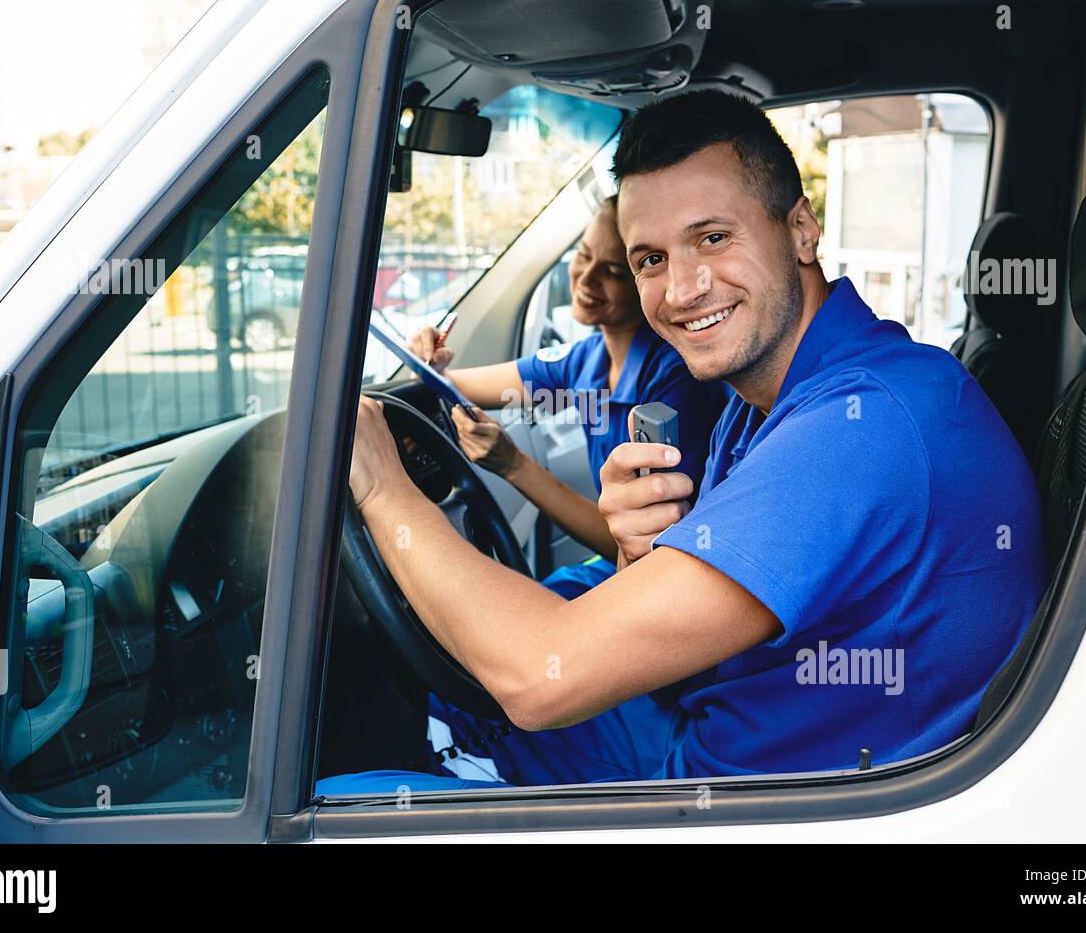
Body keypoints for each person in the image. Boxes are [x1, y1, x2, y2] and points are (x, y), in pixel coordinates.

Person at [321, 89, 1045, 794]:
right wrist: (640, 555)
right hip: (711, 738)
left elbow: (542, 677)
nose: (683, 289)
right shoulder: (763, 400)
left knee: (350, 795)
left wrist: (385, 492)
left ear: (801, 228)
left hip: (742, 804)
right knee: (442, 699)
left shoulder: (864, 426)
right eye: (650, 260)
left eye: (713, 237)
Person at [404, 195, 727, 600]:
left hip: (656, 582)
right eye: (584, 255)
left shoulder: (677, 382)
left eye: (612, 271)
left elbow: (646, 548)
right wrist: (427, 358)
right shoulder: (584, 360)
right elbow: (458, 386)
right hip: (613, 567)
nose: (586, 280)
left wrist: (514, 466)